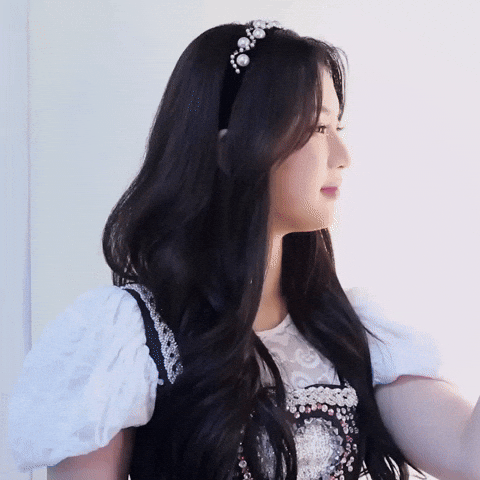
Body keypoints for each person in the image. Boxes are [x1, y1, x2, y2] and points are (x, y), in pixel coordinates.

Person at [7, 20, 480, 480]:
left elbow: (468, 457)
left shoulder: (351, 333)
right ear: (231, 149)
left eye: (339, 127)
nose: (343, 156)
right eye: (319, 128)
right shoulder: (126, 338)